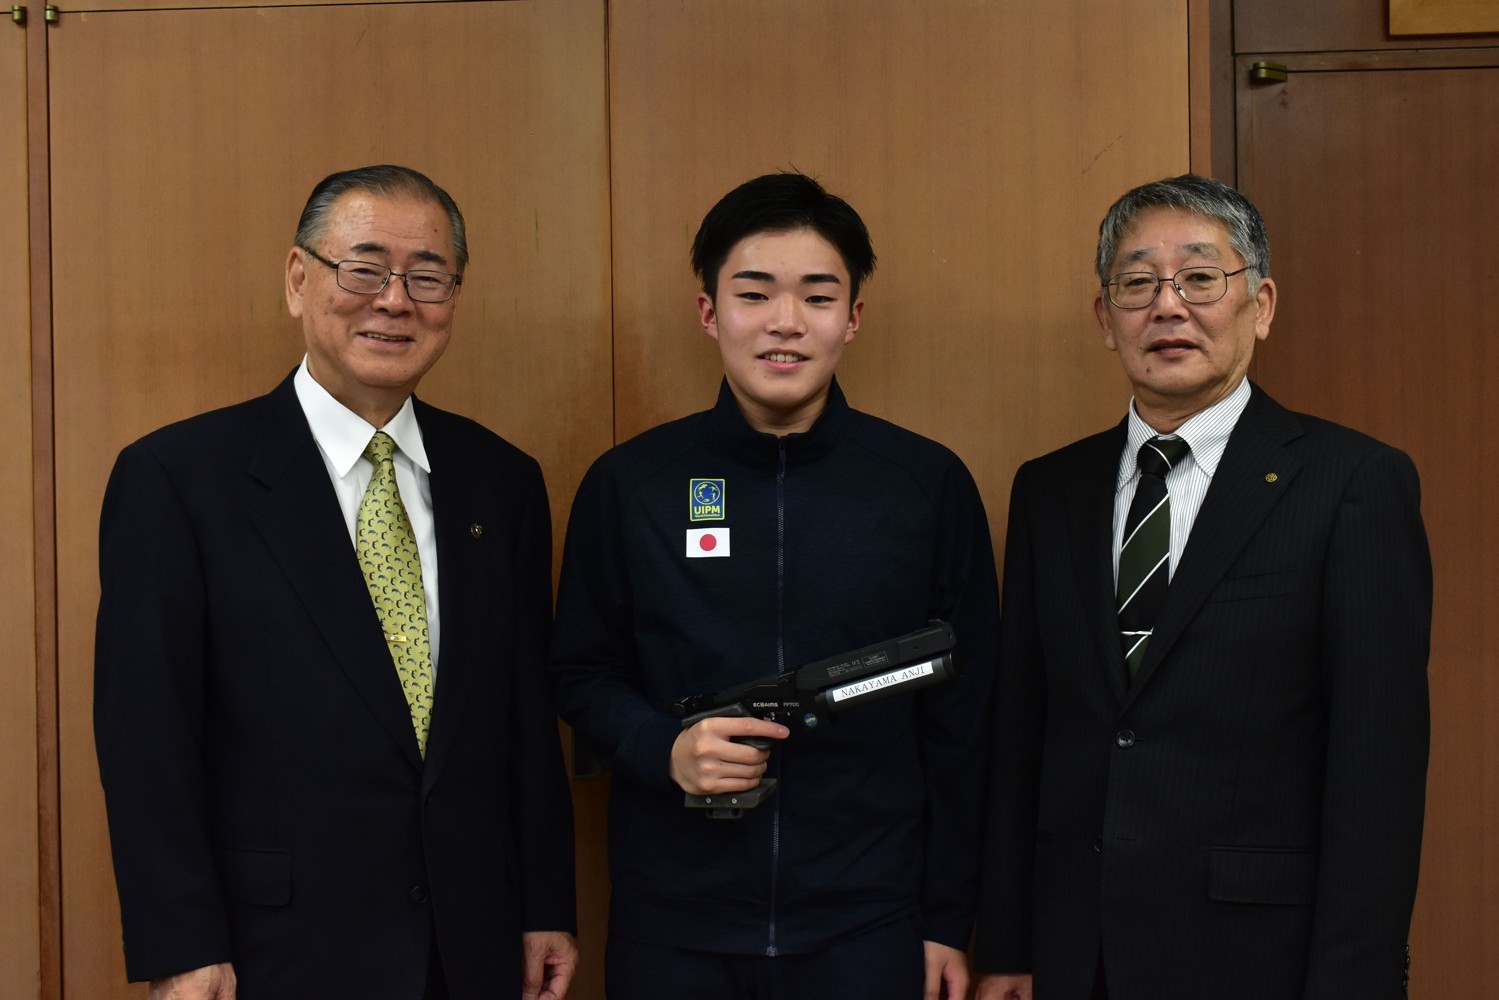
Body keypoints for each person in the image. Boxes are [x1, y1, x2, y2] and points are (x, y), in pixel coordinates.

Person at [94, 165, 577, 1000]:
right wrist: (182, 944)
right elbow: (147, 739)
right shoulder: (179, 479)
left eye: (426, 277)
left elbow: (525, 721)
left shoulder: (501, 482)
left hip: (472, 944)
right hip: (275, 950)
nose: (394, 301)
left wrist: (545, 905)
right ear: (298, 279)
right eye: (363, 269)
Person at [973, 174, 1431, 1000]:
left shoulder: (1350, 482)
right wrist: (1006, 945)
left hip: (1258, 955)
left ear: (1259, 304)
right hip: (1077, 952)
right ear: (1104, 317)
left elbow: (1377, 770)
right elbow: (1023, 731)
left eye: (1198, 277)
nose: (1167, 306)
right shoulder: (1050, 489)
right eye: (1137, 283)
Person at [550, 172, 1000, 999]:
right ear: (709, 312)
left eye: (817, 296)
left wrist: (946, 917)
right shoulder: (630, 484)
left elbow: (965, 723)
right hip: (672, 927)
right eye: (754, 294)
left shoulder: (924, 485)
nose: (785, 322)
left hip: (868, 927)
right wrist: (663, 748)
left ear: (852, 316)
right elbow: (579, 672)